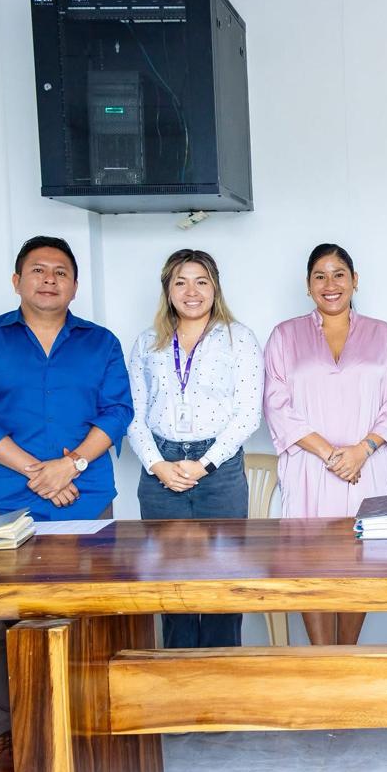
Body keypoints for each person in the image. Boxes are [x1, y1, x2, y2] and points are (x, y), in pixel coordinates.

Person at [0, 235, 132, 772]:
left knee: (93, 612)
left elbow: (117, 411)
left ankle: (90, 719)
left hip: (88, 500)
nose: (49, 279)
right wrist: (40, 472)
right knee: (12, 619)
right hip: (11, 504)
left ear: (75, 285)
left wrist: (70, 466)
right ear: (17, 281)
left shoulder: (100, 343)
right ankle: (14, 735)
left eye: (60, 271)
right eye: (38, 270)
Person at [265, 244, 387, 645]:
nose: (330, 284)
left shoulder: (383, 335)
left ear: (354, 280)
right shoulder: (285, 336)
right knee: (309, 563)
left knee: (361, 561)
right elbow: (276, 404)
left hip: (366, 468)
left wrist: (362, 450)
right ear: (308, 285)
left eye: (339, 274)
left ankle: (348, 655)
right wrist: (330, 454)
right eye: (320, 276)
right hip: (310, 467)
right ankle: (320, 657)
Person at [126, 248, 263, 650]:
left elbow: (248, 414)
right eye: (181, 282)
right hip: (160, 470)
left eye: (201, 282)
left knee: (224, 582)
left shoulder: (239, 338)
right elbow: (132, 413)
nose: (192, 292)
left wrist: (204, 464)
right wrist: (157, 465)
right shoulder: (147, 342)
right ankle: (178, 673)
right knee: (171, 584)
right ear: (167, 290)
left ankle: (221, 673)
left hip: (219, 472)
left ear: (215, 288)